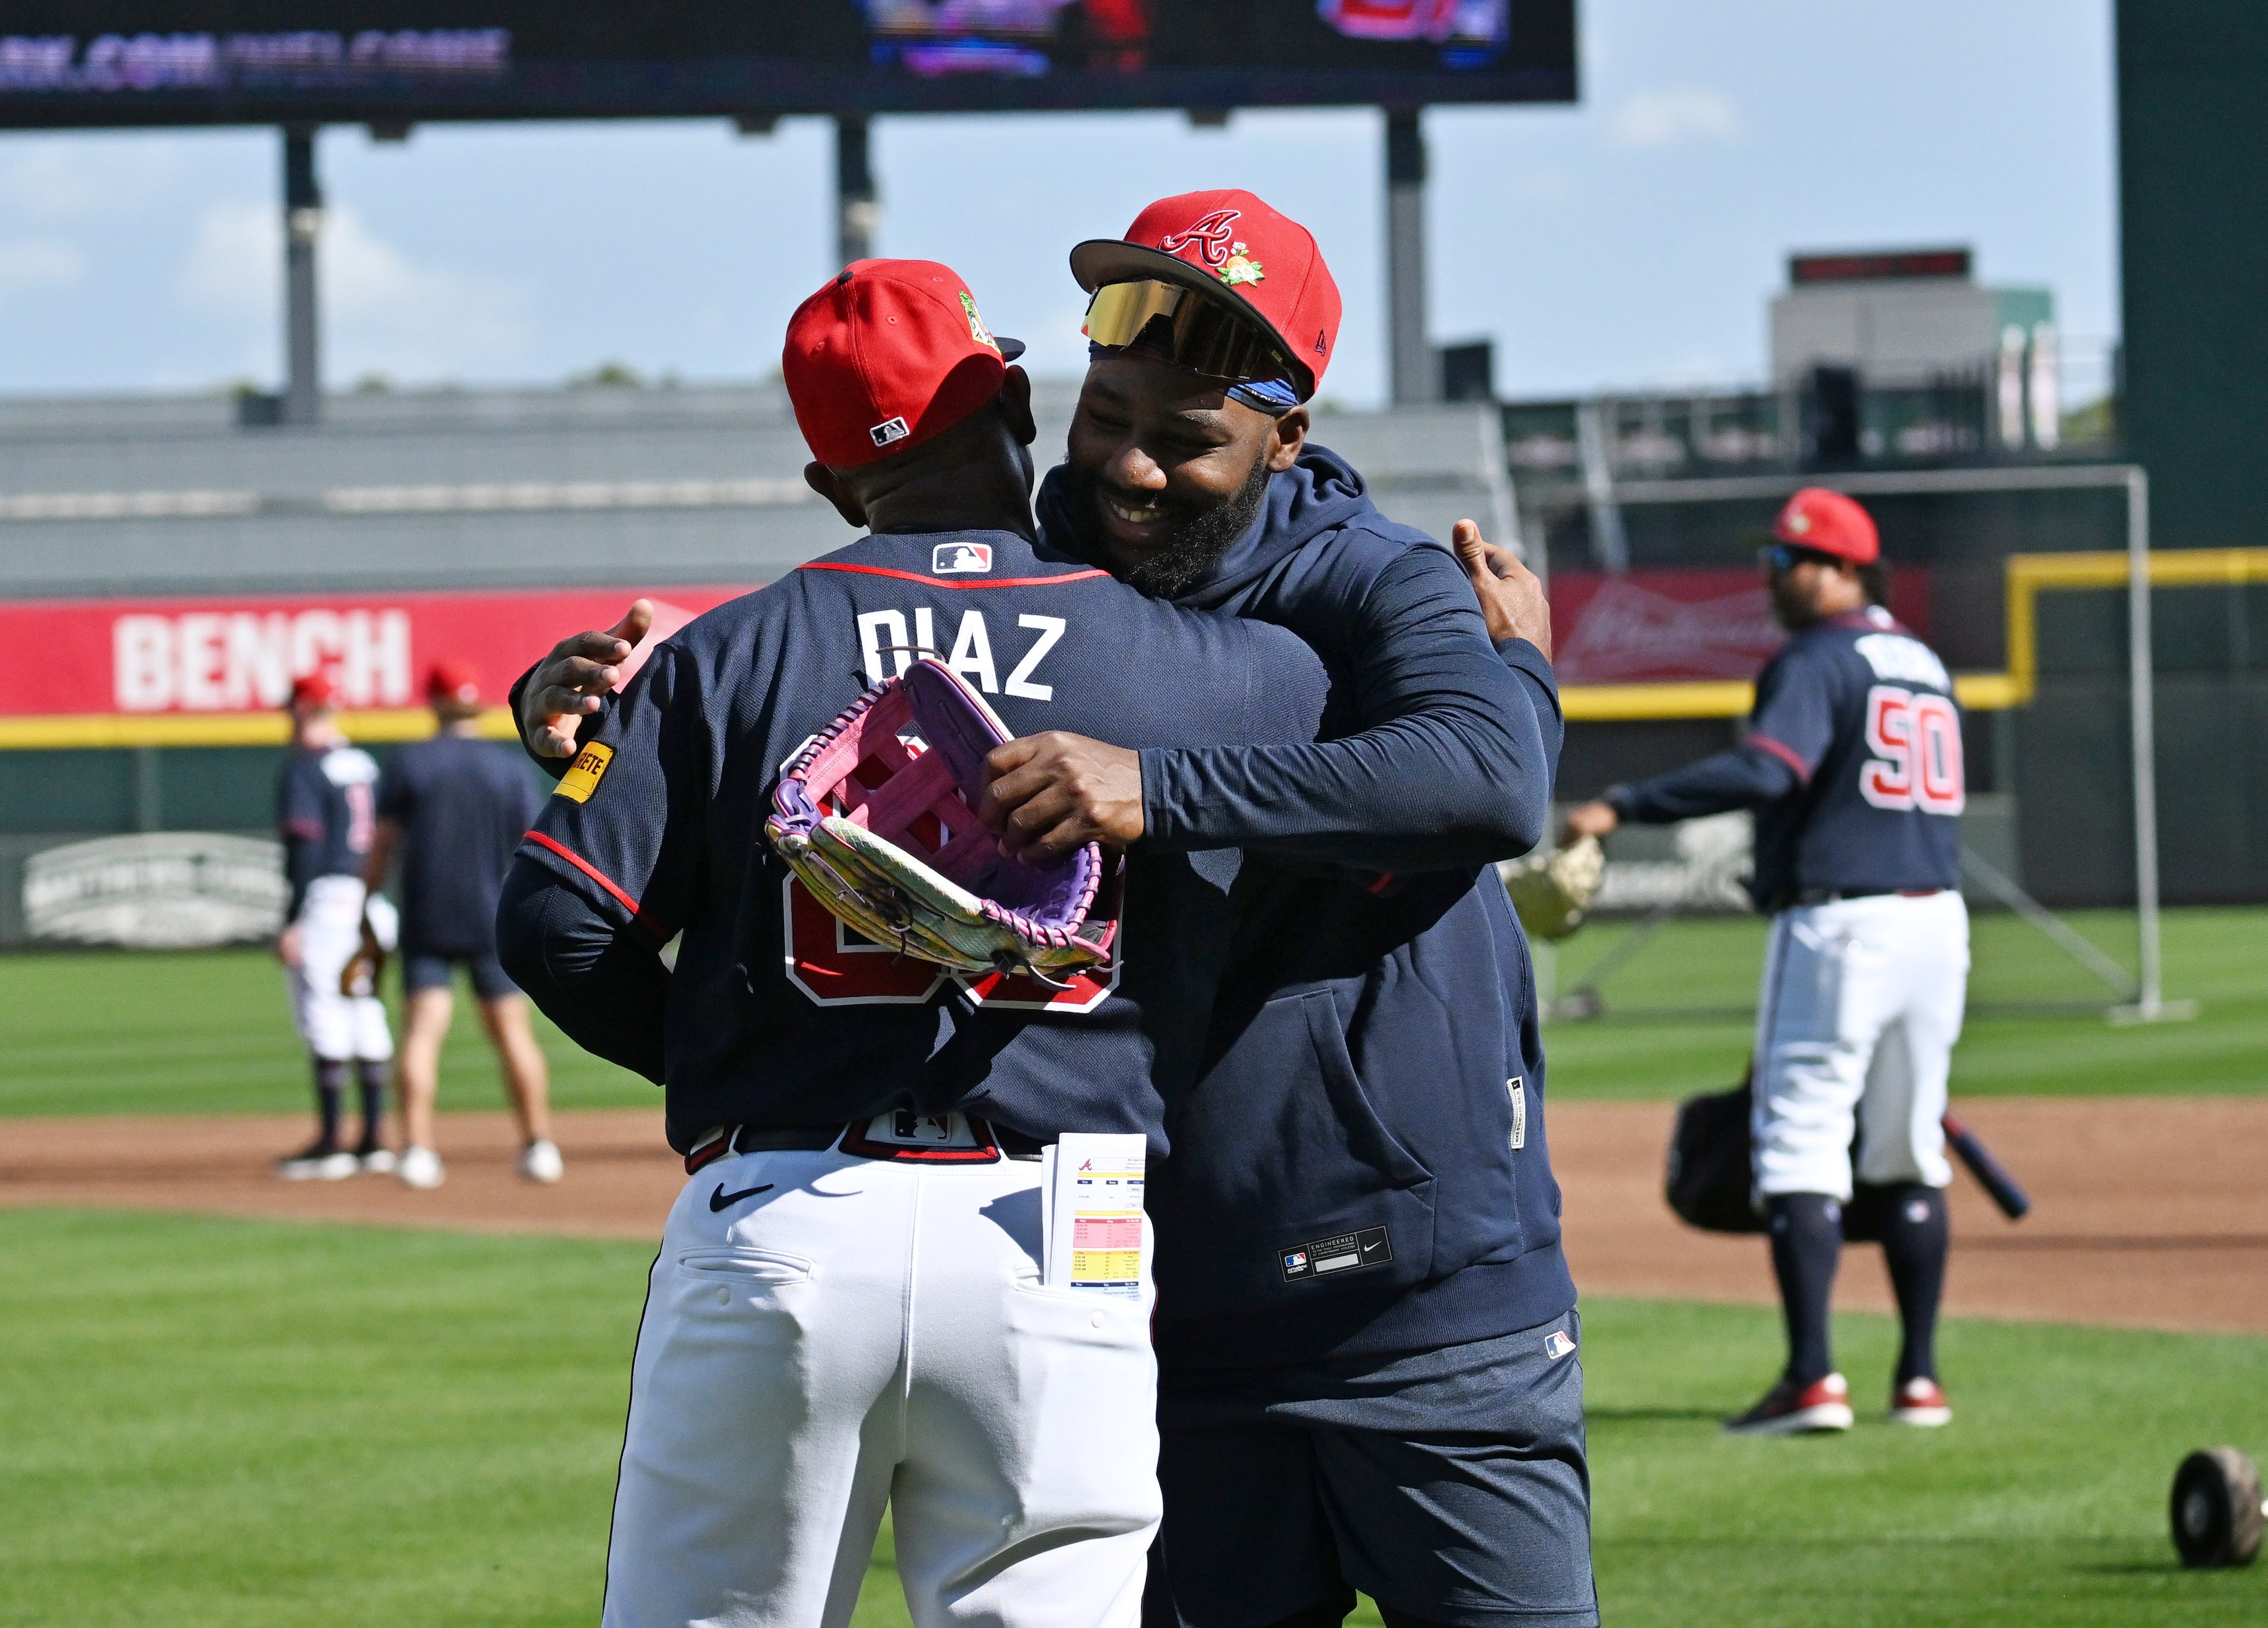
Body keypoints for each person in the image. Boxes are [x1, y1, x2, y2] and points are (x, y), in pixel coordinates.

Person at [521, 193, 1591, 1628]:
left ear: (1287, 430)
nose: (1129, 465)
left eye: (1185, 436)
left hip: (1414, 1292)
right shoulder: (1070, 567)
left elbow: (1486, 776)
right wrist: (600, 702)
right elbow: (891, 618)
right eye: (1108, 414)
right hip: (1155, 1298)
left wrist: (1161, 784)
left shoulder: (1373, 575)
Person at [1565, 487, 1967, 1435]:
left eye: (1793, 562)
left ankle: (1813, 1379)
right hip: (1937, 922)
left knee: (1799, 1143)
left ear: (1846, 570)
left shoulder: (1817, 657)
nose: (1774, 577)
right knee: (1911, 1147)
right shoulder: (1923, 662)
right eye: (1774, 561)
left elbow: (1770, 769)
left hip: (1841, 925)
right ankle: (1919, 1381)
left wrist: (1625, 802)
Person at [362, 659, 558, 1191]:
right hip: (494, 916)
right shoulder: (507, 767)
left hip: (428, 916)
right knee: (513, 1035)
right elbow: (534, 845)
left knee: (423, 1033)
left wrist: (366, 899)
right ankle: (539, 1144)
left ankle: (419, 1150)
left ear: (433, 703)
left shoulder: (410, 763)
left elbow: (382, 842)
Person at [272, 671, 395, 1180]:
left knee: (323, 1010)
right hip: (371, 899)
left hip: (326, 898)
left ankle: (331, 1143)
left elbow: (305, 847)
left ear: (304, 710)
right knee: (363, 1008)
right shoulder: (363, 764)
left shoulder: (307, 767)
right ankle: (373, 1139)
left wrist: (292, 919)